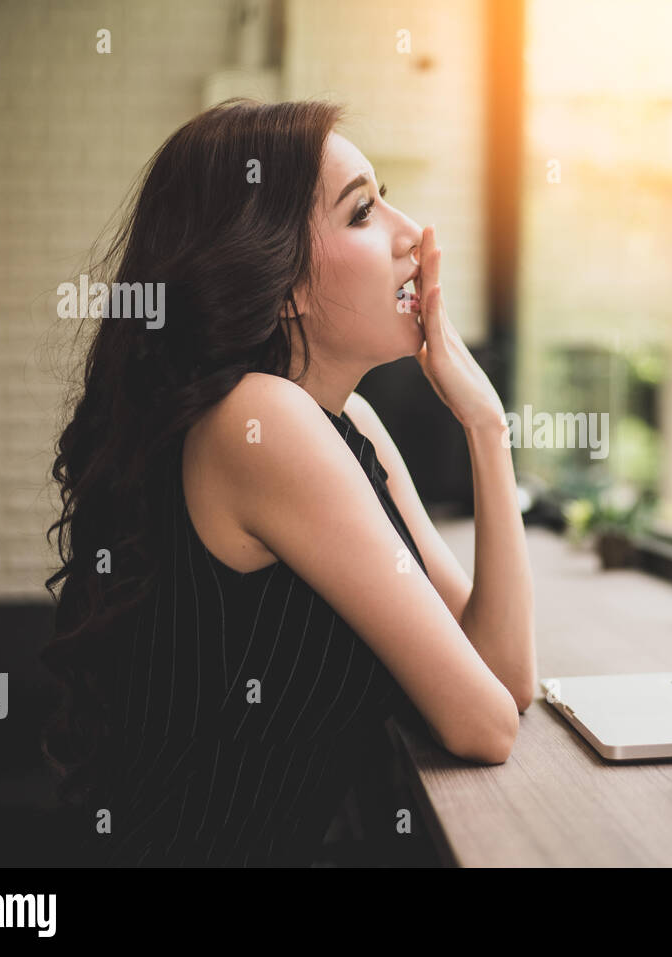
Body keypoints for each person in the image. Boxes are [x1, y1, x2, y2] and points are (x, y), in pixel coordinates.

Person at [42, 98, 536, 866]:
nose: (414, 237)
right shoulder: (261, 423)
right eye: (365, 212)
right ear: (281, 283)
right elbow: (487, 724)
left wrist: (486, 428)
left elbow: (503, 681)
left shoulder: (349, 423)